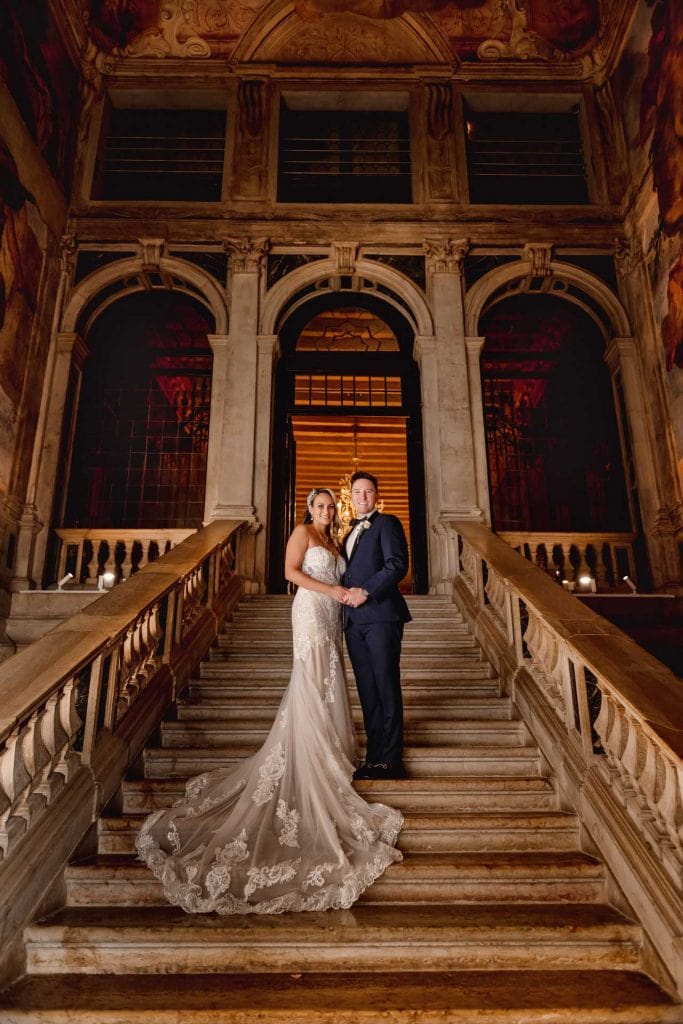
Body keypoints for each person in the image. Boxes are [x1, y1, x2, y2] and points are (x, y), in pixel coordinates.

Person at [136, 487, 403, 914]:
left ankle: (330, 751)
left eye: (332, 506)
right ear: (309, 509)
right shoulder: (302, 533)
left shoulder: (337, 540)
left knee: (330, 682)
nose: (326, 511)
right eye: (320, 505)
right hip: (312, 611)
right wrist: (331, 593)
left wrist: (344, 596)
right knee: (312, 679)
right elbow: (291, 573)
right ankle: (311, 755)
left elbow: (359, 573)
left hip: (336, 616)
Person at [341, 471, 411, 780]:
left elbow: (397, 565)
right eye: (357, 492)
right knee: (367, 690)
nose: (363, 496)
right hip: (353, 622)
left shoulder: (387, 523)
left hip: (381, 615)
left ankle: (391, 760)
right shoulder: (346, 534)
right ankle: (374, 756)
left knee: (385, 685)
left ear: (376, 495)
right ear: (351, 496)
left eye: (368, 491)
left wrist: (366, 591)